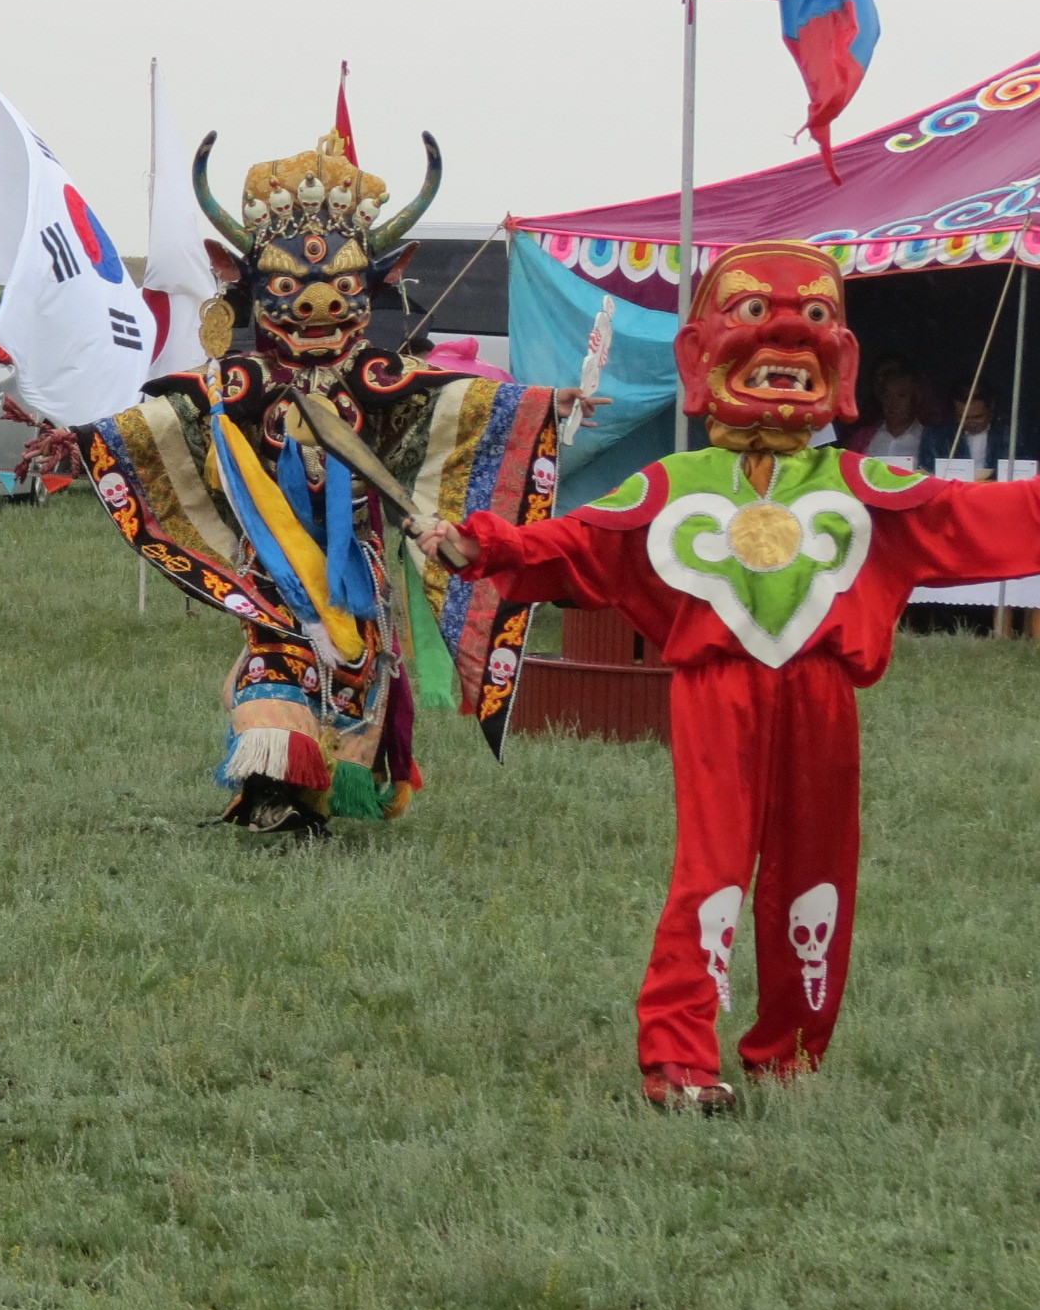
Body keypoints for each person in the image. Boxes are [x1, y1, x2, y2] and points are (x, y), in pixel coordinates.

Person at [414, 241, 1040, 1111]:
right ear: (700, 353)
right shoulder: (678, 484)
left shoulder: (865, 488)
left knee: (819, 870)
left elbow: (987, 515)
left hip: (822, 695)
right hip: (718, 693)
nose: (789, 331)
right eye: (753, 313)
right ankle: (680, 1060)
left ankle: (788, 1055)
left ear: (844, 360)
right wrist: (480, 542)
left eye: (818, 317)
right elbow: (581, 542)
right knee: (710, 866)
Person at [82, 129, 567, 835]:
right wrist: (81, 438)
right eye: (285, 288)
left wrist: (553, 405)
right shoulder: (238, 381)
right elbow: (163, 420)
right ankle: (271, 782)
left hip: (356, 561)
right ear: (243, 285)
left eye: (341, 288)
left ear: (377, 283)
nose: (315, 306)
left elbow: (461, 405)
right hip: (273, 555)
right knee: (276, 652)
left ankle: (320, 791)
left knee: (355, 668)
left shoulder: (377, 377)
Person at [849, 363, 929, 461]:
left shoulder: (929, 440)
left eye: (901, 395)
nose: (893, 403)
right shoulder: (862, 439)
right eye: (887, 396)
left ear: (916, 397)